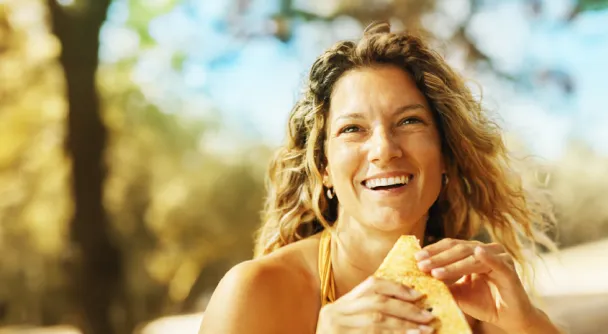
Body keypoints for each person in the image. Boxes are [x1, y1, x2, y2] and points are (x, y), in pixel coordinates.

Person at [199, 21, 560, 334]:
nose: (385, 149)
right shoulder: (255, 292)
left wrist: (527, 322)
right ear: (324, 167)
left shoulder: (474, 292)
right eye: (353, 128)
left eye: (409, 121)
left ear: (447, 154)